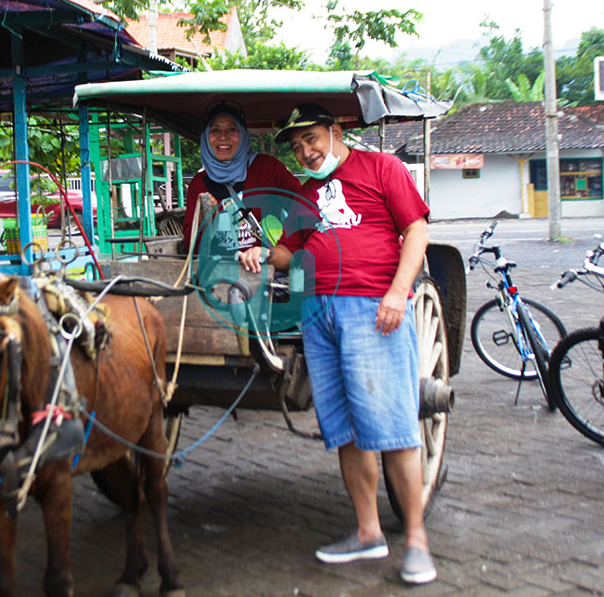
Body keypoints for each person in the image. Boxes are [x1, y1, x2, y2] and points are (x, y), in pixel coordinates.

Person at [239, 103, 436, 585]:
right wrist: (263, 252)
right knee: (344, 428)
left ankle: (416, 541)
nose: (306, 151)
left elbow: (417, 229)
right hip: (319, 316)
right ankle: (368, 531)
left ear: (336, 130)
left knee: (391, 426)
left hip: (372, 310)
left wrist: (396, 292)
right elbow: (292, 253)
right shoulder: (307, 193)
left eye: (312, 139)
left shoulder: (382, 169)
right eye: (298, 145)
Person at [183, 102, 301, 252]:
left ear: (243, 134)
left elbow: (302, 210)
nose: (223, 137)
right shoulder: (199, 183)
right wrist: (205, 218)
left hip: (269, 269)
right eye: (215, 130)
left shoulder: (268, 168)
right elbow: (192, 245)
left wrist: (279, 251)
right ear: (206, 137)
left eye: (232, 129)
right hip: (220, 270)